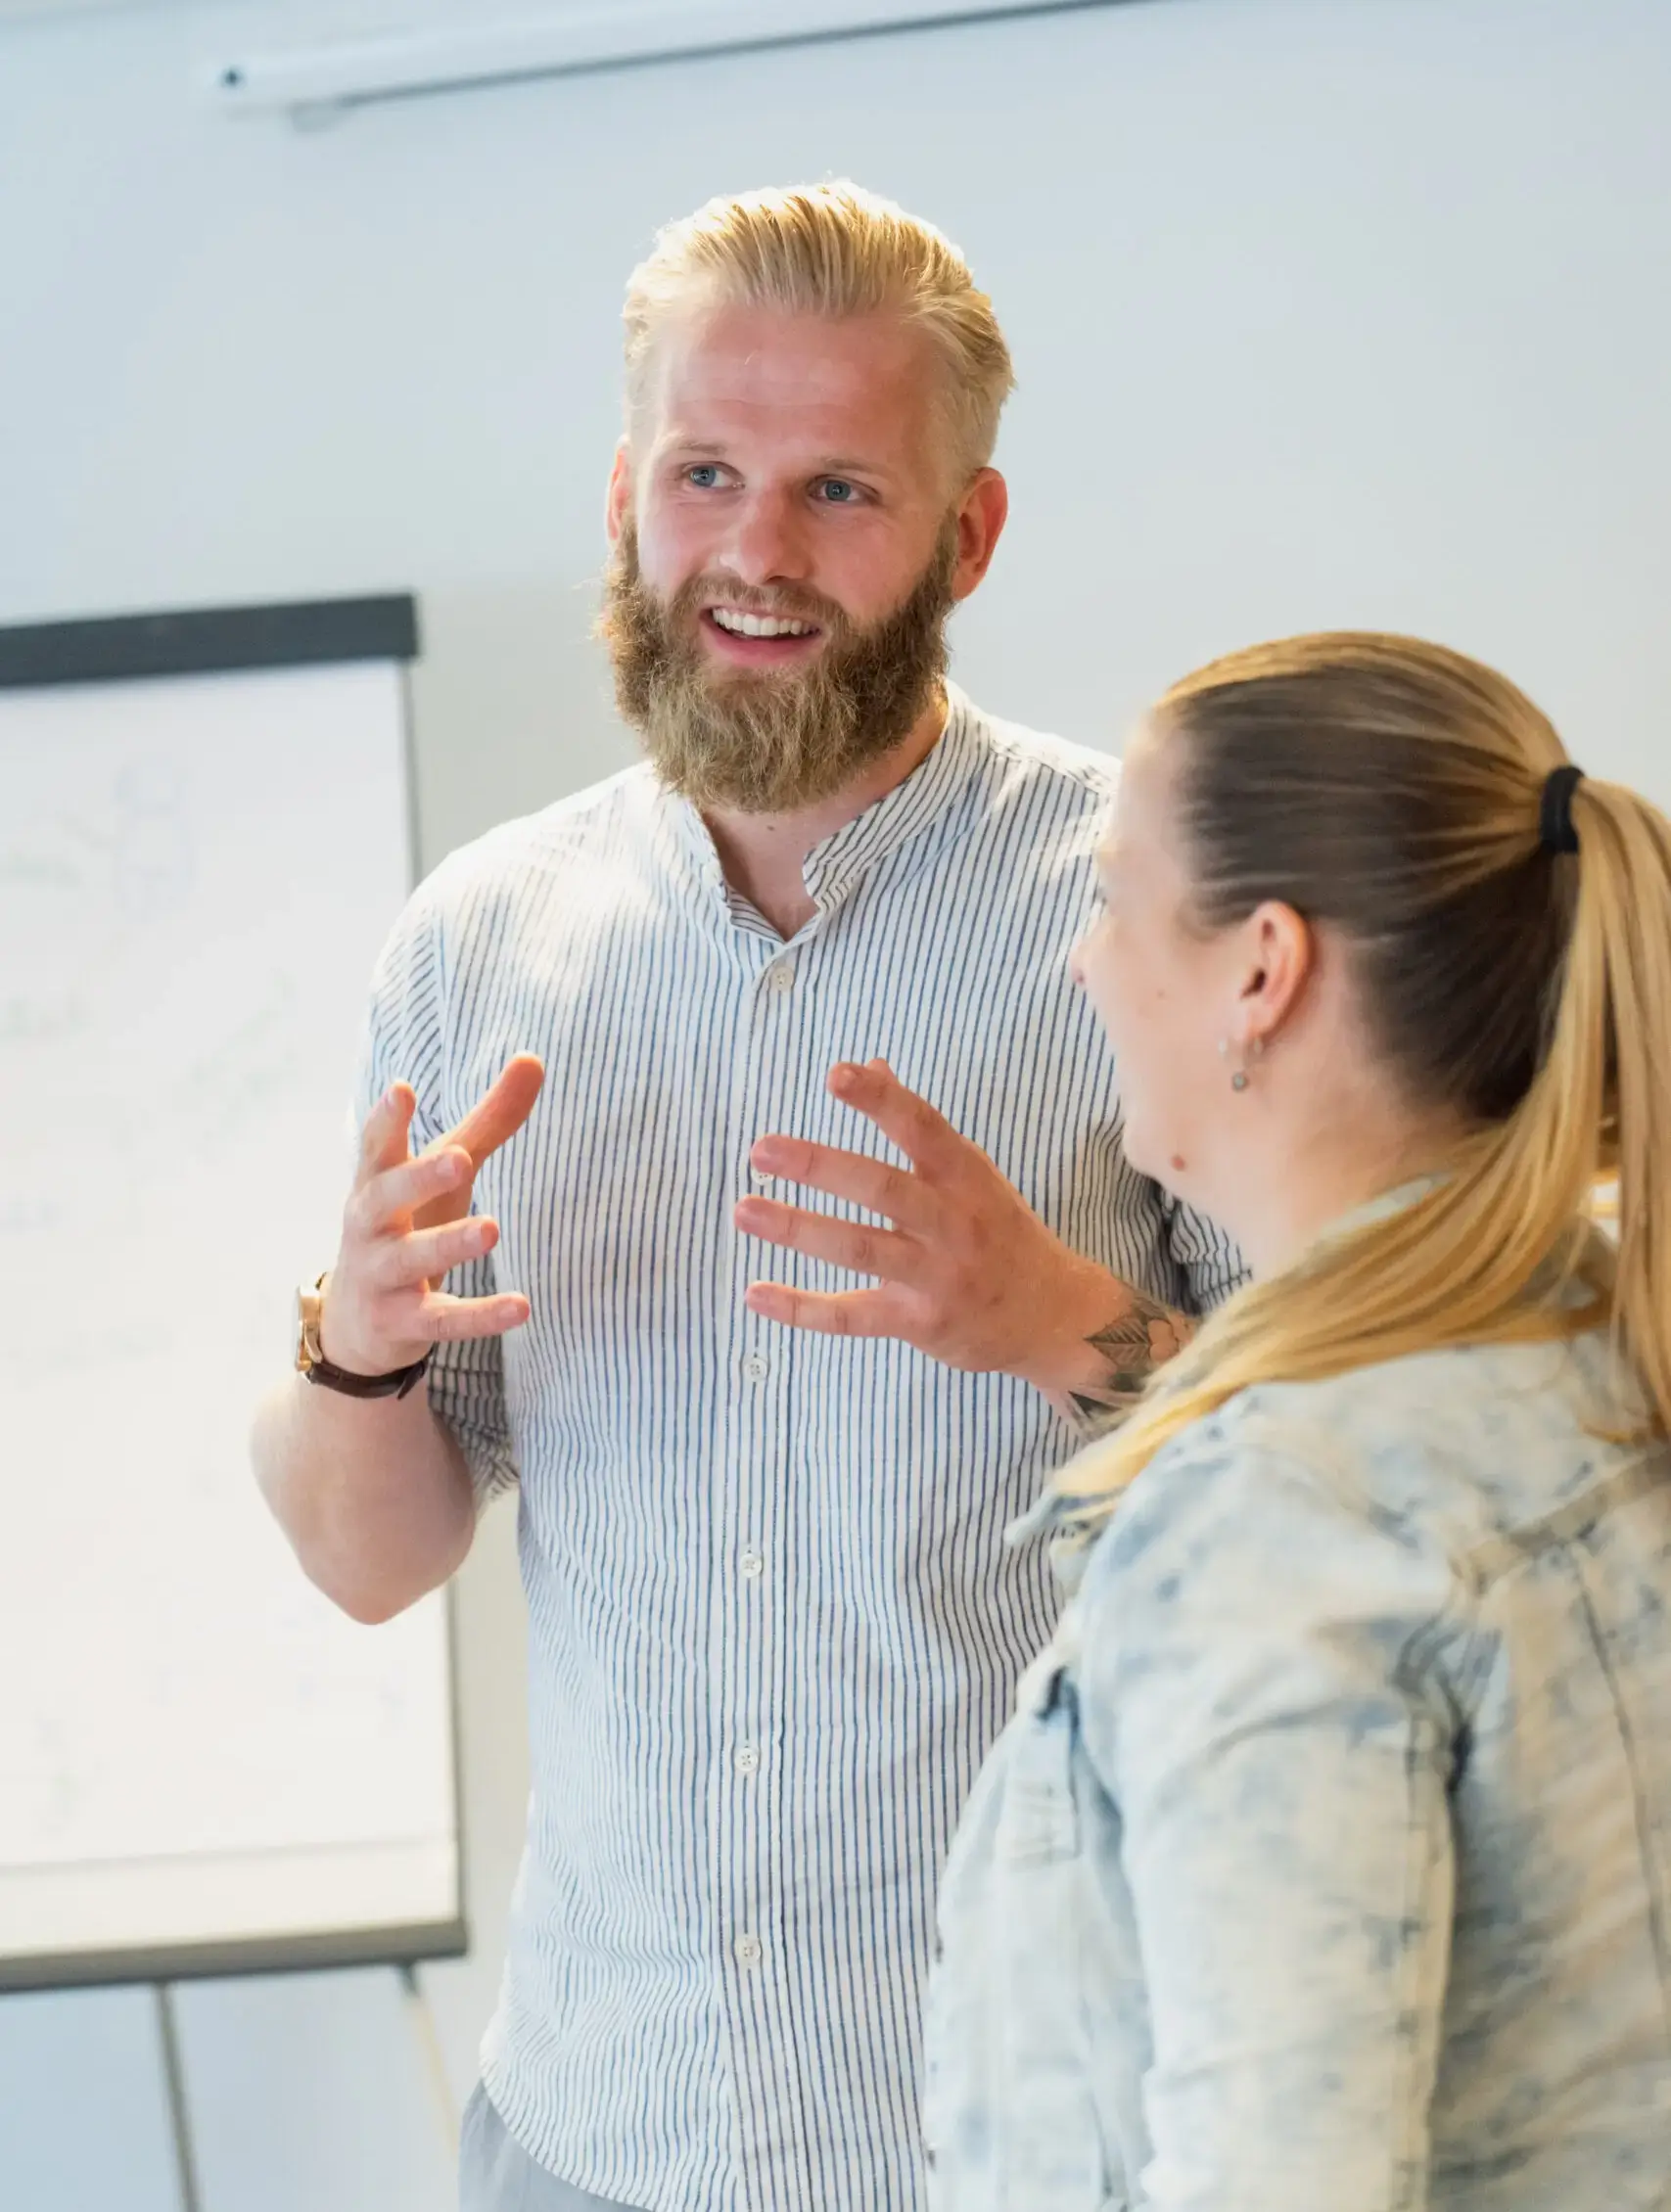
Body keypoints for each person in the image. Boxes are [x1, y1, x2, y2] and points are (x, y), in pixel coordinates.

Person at [250, 181, 1242, 2212]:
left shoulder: (1145, 908)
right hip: (603, 2126)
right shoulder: (479, 942)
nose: (757, 554)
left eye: (840, 490)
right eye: (706, 473)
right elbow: (370, 1561)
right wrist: (351, 1353)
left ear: (965, 533)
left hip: (1034, 2131)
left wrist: (1062, 1321)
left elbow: (1372, 1467)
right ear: (629, 492)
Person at [924, 629, 1671, 2211]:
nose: (1085, 959)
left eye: (1114, 899)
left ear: (1261, 969)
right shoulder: (1614, 1333)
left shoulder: (1280, 1515)